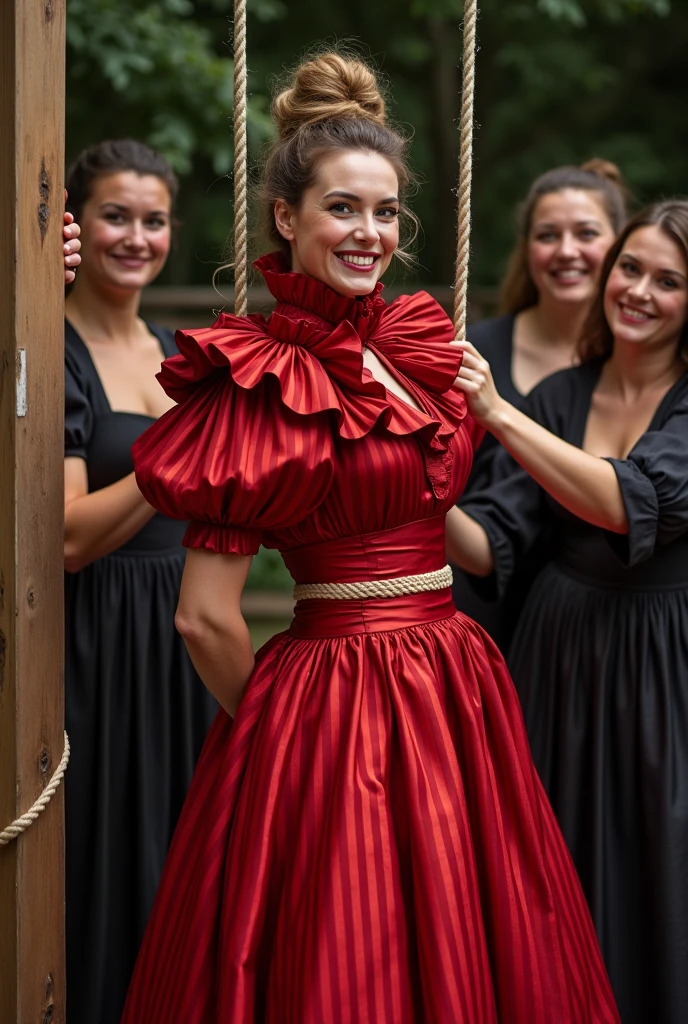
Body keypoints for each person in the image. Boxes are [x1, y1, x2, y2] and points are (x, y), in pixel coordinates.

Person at [120, 54, 618, 1023]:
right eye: (343, 209)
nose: (369, 233)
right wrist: (280, 725)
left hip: (457, 692)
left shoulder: (417, 343)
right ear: (286, 218)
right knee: (348, 960)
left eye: (385, 212)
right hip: (334, 702)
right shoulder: (255, 379)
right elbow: (204, 618)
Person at [449, 200, 688, 1024]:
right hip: (557, 662)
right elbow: (491, 545)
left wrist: (497, 415)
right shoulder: (560, 394)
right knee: (553, 867)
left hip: (664, 669)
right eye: (632, 269)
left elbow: (628, 504)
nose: (640, 291)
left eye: (669, 280)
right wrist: (404, 478)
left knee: (661, 863)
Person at [63, 139, 217, 1024]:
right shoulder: (54, 347)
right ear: (78, 225)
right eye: (115, 216)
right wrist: (178, 451)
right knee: (101, 857)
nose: (137, 236)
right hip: (96, 640)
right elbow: (71, 539)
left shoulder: (172, 351)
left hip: (183, 635)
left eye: (153, 220)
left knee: (178, 857)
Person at [452, 161, 628, 649]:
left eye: (586, 233)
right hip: (473, 604)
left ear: (620, 246)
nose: (566, 251)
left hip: (590, 622)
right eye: (547, 235)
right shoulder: (471, 351)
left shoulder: (636, 368)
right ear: (527, 249)